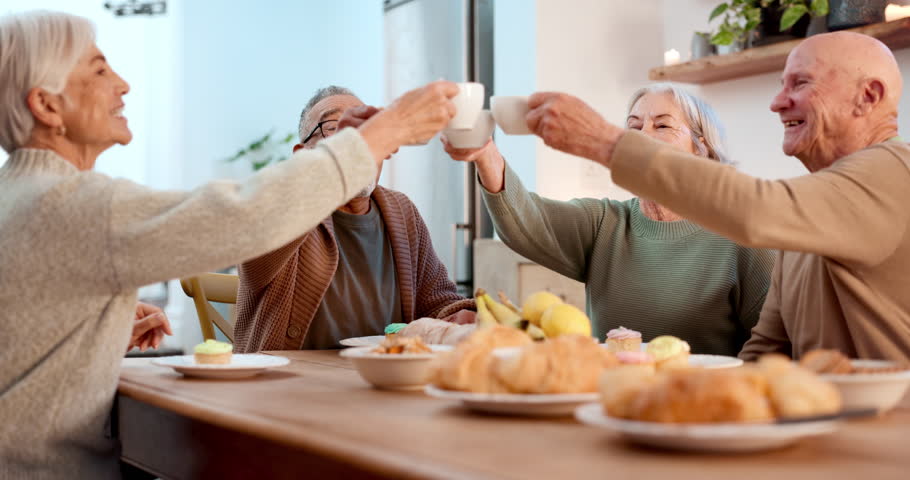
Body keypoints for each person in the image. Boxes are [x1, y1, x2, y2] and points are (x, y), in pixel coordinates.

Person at [0, 10, 459, 478]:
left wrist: (92, 326)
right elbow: (245, 216)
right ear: (47, 106)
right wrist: (385, 131)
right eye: (99, 70)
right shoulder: (76, 205)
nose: (123, 84)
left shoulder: (20, 196)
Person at [522, 32, 910, 361]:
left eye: (801, 83)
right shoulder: (810, 210)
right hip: (834, 431)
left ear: (868, 96)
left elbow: (757, 210)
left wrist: (603, 141)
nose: (777, 102)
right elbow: (765, 351)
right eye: (781, 85)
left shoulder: (895, 170)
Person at [443, 84, 773, 356]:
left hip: (700, 409)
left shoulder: (741, 237)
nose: (643, 135)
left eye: (662, 125)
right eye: (633, 126)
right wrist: (484, 153)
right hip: (610, 402)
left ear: (702, 149)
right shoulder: (606, 223)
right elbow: (527, 221)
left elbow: (769, 351)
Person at [233, 86, 475, 352]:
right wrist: (345, 162)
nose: (357, 139)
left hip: (379, 382)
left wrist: (460, 316)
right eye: (336, 126)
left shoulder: (403, 212)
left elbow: (438, 302)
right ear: (302, 156)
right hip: (287, 385)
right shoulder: (279, 208)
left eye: (366, 127)